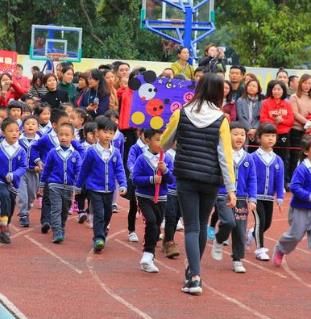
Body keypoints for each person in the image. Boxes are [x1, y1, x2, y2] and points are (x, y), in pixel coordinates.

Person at [160, 73, 236, 295]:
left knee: (191, 227)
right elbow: (225, 157)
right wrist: (231, 189)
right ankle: (194, 272)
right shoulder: (222, 119)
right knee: (202, 225)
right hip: (211, 179)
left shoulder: (180, 113)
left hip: (186, 177)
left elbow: (164, 144)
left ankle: (194, 276)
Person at [76, 117, 127, 253]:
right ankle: (98, 237)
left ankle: (103, 231)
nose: (108, 135)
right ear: (97, 133)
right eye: (105, 132)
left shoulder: (115, 152)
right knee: (99, 213)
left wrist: (123, 184)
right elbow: (84, 169)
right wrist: (78, 185)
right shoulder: (91, 151)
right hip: (94, 188)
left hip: (109, 189)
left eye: (111, 133)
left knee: (108, 213)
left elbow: (119, 169)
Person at [33, 109, 84, 233]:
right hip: (51, 175)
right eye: (63, 124)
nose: (67, 126)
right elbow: (34, 148)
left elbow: (81, 150)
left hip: (66, 179)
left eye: (68, 123)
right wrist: (38, 160)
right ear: (54, 125)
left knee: (64, 205)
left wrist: (79, 162)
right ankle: (46, 221)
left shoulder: (71, 140)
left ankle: (60, 223)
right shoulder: (46, 138)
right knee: (47, 199)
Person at [214, 122, 257, 273]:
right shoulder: (221, 154)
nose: (239, 137)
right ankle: (219, 239)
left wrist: (252, 198)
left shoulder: (248, 158)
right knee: (228, 222)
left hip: (241, 198)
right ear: (227, 135)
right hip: (223, 195)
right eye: (235, 134)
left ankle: (237, 259)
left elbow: (252, 179)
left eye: (242, 134)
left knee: (240, 230)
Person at [133, 129, 174, 272]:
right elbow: (135, 179)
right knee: (150, 221)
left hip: (161, 198)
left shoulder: (167, 159)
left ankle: (150, 257)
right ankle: (147, 253)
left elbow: (172, 180)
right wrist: (151, 179)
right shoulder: (142, 159)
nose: (161, 143)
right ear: (147, 140)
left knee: (156, 226)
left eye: (163, 140)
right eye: (157, 139)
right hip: (145, 197)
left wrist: (166, 171)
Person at [247, 123, 284, 261]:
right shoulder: (253, 158)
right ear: (259, 138)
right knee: (260, 221)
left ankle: (251, 234)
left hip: (269, 197)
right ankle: (260, 249)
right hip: (255, 197)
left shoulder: (278, 160)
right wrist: (250, 195)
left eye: (273, 136)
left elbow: (280, 180)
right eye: (267, 136)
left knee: (267, 224)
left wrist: (280, 197)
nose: (270, 139)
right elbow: (249, 176)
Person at [272, 135, 311, 267]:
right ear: (306, 151)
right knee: (296, 235)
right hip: (301, 208)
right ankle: (280, 249)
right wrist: (308, 196)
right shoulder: (303, 169)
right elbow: (294, 186)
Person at [40, 123, 81, 243]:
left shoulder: (75, 154)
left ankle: (61, 226)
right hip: (54, 185)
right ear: (57, 136)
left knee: (64, 209)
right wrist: (42, 184)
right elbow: (47, 169)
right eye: (61, 134)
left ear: (72, 137)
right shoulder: (53, 152)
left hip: (69, 187)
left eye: (67, 135)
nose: (63, 137)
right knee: (56, 209)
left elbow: (79, 171)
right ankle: (57, 231)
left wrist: (78, 185)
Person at [0, 118, 27, 244]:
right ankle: (4, 227)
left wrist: (14, 175)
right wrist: (4, 175)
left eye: (17, 130)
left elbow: (23, 166)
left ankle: (4, 226)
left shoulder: (21, 150)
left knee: (10, 206)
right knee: (4, 196)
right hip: (1, 181)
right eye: (10, 131)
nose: (14, 133)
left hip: (13, 184)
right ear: (3, 132)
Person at [260, 80, 294, 173]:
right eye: (274, 89)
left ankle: (282, 181)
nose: (277, 91)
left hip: (284, 135)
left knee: (283, 158)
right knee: (268, 155)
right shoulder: (265, 103)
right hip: (269, 133)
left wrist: (282, 120)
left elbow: (291, 120)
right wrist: (275, 121)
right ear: (271, 90)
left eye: (279, 89)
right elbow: (263, 119)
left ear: (283, 91)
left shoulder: (287, 103)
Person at [18, 116, 40, 227]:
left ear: (38, 127)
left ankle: (27, 208)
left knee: (31, 194)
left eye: (33, 124)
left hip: (34, 172)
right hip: (21, 172)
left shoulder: (41, 140)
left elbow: (44, 155)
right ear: (22, 127)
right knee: (22, 195)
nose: (30, 126)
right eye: (27, 124)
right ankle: (23, 215)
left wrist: (40, 165)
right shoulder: (18, 139)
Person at [126, 129, 148, 242]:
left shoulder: (152, 148)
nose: (148, 138)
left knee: (148, 208)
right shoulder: (135, 148)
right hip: (136, 182)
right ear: (140, 134)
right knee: (133, 207)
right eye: (146, 135)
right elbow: (130, 162)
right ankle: (131, 231)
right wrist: (137, 172)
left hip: (148, 183)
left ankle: (150, 232)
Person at [289, 74, 311, 181]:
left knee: (307, 156)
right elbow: (295, 113)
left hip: (309, 132)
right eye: (305, 83)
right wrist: (307, 122)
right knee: (295, 155)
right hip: (296, 130)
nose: (307, 86)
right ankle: (292, 179)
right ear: (300, 83)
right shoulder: (294, 97)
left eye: (309, 83)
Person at [75, 121, 97, 224]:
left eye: (96, 134)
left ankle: (90, 212)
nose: (93, 136)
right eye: (91, 133)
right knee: (81, 194)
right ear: (85, 134)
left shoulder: (99, 147)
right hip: (81, 175)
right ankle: (81, 211)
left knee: (91, 195)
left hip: (93, 176)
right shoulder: (80, 146)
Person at [162, 140, 181, 258]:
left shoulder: (185, 155)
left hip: (182, 191)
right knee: (171, 216)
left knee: (177, 216)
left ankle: (168, 238)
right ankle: (169, 242)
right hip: (169, 191)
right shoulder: (166, 155)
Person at [104, 110, 125, 214]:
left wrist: (120, 162)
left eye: (116, 119)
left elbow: (122, 150)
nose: (115, 121)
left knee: (115, 182)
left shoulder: (120, 136)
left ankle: (114, 203)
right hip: (104, 161)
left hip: (115, 162)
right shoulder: (103, 134)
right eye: (112, 119)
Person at [236, 78, 263, 152]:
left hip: (256, 130)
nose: (251, 87)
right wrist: (249, 129)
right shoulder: (240, 100)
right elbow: (240, 117)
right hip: (244, 129)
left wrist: (254, 129)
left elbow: (261, 118)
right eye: (249, 85)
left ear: (258, 89)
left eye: (254, 86)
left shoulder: (261, 101)